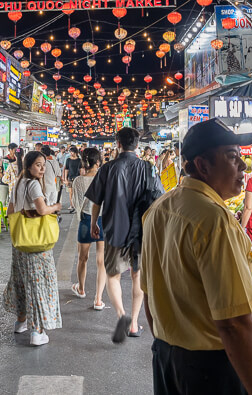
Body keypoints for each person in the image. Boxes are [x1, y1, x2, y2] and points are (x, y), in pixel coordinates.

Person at [141, 118, 252, 394]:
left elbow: (150, 295)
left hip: (167, 358)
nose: (243, 167)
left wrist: (170, 350)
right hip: (213, 369)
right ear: (203, 165)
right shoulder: (214, 219)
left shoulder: (159, 209)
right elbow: (234, 323)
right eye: (233, 157)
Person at [84, 127, 152, 342]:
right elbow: (157, 199)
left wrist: (94, 223)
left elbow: (96, 201)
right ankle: (133, 324)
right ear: (137, 145)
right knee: (137, 276)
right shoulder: (147, 168)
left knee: (112, 275)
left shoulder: (108, 168)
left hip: (115, 228)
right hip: (140, 231)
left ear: (118, 143)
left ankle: (122, 315)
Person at [4, 150, 63, 346]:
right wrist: (55, 207)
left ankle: (21, 322)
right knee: (39, 284)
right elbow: (42, 210)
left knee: (21, 281)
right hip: (36, 245)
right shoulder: (33, 185)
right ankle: (37, 332)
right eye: (38, 164)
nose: (42, 168)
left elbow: (10, 211)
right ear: (28, 166)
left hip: (19, 242)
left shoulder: (18, 184)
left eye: (43, 165)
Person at [70, 147, 107, 310]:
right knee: (101, 261)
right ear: (98, 162)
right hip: (103, 219)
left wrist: (81, 218)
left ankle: (81, 289)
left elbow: (76, 203)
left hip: (86, 219)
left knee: (82, 258)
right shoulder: (105, 179)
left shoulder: (78, 180)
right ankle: (98, 300)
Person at [63, 146, 82, 213]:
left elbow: (81, 170)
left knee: (76, 192)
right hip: (70, 178)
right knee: (71, 193)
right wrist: (65, 178)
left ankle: (77, 205)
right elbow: (66, 169)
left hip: (77, 178)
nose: (71, 153)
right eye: (70, 152)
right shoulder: (68, 160)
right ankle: (72, 205)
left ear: (76, 152)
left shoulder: (79, 160)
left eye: (72, 152)